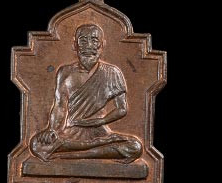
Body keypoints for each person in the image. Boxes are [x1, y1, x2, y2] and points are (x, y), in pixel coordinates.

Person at [30, 24, 142, 164]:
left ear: (102, 44)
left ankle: (72, 155)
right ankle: (95, 151)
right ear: (75, 45)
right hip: (71, 132)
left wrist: (100, 121)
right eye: (83, 40)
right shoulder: (65, 72)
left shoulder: (112, 72)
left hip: (100, 131)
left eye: (94, 41)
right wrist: (52, 130)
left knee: (135, 147)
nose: (89, 46)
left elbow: (122, 109)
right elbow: (60, 105)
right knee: (36, 144)